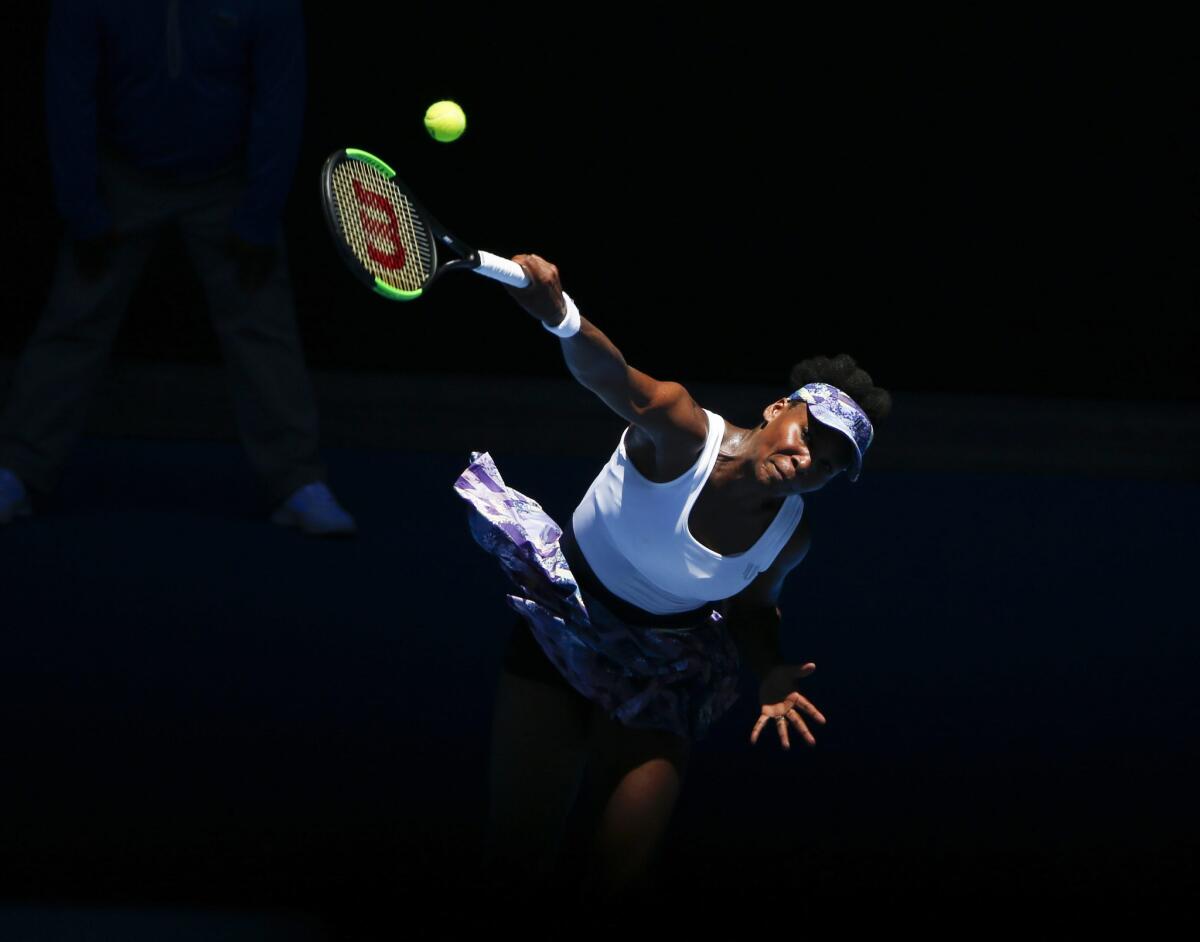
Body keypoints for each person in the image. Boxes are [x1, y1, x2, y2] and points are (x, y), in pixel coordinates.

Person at [454, 254, 893, 907]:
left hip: (665, 670)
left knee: (620, 881)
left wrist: (769, 668)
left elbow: (750, 607)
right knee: (516, 859)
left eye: (830, 465)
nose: (810, 460)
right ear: (779, 409)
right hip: (564, 631)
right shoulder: (682, 430)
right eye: (812, 435)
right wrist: (561, 316)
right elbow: (611, 377)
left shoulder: (790, 535)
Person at [0, 0, 355, 535]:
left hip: (228, 181)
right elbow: (68, 94)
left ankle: (296, 482)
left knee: (262, 329)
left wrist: (259, 216)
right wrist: (83, 208)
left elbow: (279, 101)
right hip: (120, 174)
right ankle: (17, 472)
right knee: (73, 323)